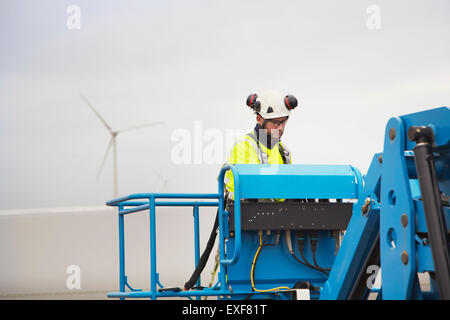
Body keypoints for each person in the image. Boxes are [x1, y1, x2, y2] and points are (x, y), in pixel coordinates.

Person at [224, 90, 298, 201]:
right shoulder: (244, 146)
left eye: (283, 122)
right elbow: (255, 187)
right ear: (259, 119)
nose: (280, 128)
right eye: (275, 123)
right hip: (242, 213)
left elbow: (289, 185)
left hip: (272, 213)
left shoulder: (284, 152)